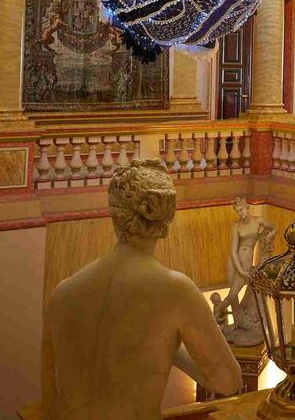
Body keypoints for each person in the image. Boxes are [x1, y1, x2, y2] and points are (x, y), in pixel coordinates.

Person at [42, 161, 241, 419]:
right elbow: (228, 381)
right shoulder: (175, 291)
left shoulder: (63, 293)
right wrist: (174, 349)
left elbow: (49, 401)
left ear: (114, 216)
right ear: (166, 220)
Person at [213, 198, 274, 328]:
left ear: (247, 207)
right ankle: (230, 319)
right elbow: (233, 250)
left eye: (241, 209)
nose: (240, 213)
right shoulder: (236, 226)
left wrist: (269, 236)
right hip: (234, 261)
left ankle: (218, 311)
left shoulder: (258, 221)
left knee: (232, 294)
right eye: (237, 211)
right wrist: (240, 270)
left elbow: (274, 227)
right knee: (233, 295)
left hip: (246, 263)